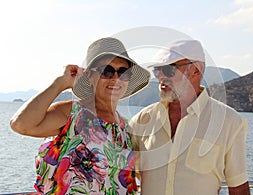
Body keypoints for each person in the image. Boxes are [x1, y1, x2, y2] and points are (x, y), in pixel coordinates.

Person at [10, 37, 150, 194]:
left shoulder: (126, 129)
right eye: (107, 71)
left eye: (123, 72)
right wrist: (60, 83)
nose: (115, 78)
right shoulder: (72, 113)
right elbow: (21, 124)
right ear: (90, 76)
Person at [130, 39, 250, 194]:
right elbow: (121, 171)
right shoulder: (141, 120)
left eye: (168, 69)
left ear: (195, 70)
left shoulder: (230, 122)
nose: (160, 76)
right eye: (157, 70)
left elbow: (239, 189)